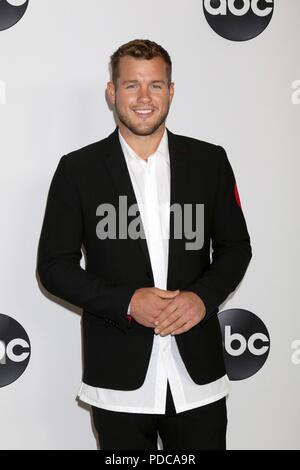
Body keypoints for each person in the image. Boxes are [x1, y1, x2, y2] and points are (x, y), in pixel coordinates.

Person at [37, 39, 252, 450]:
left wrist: (201, 299)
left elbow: (236, 247)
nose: (143, 98)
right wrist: (128, 302)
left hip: (198, 379)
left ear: (171, 91)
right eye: (131, 85)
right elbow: (54, 266)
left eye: (155, 85)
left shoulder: (209, 161)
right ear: (112, 92)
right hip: (118, 380)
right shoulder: (77, 169)